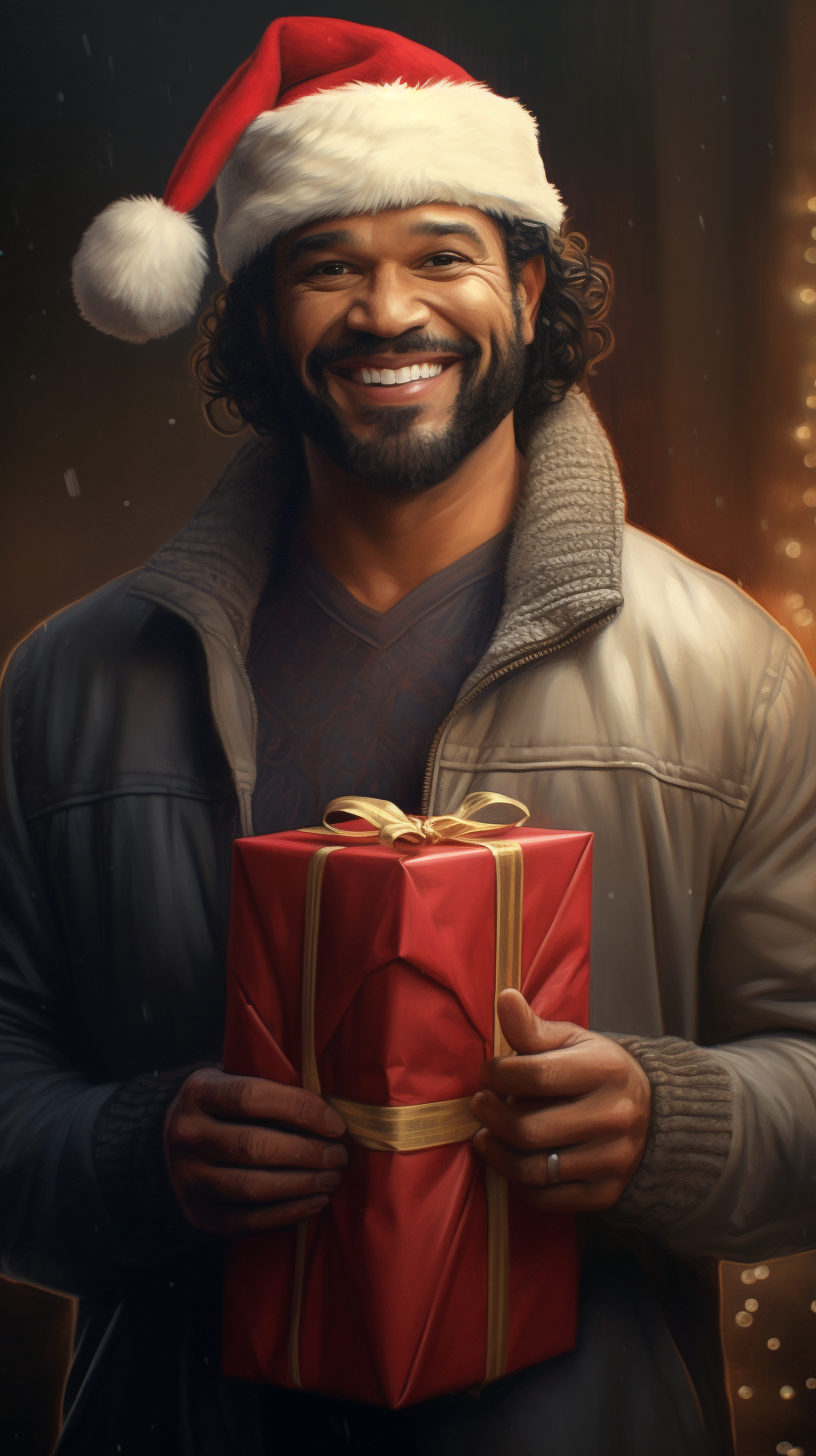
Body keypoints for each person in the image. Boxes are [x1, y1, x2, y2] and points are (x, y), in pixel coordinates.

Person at [1, 16, 814, 1455]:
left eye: (441, 254)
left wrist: (668, 1123)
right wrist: (140, 1156)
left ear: (529, 281)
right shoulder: (68, 685)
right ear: (256, 314)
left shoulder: (734, 672)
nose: (389, 313)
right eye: (328, 265)